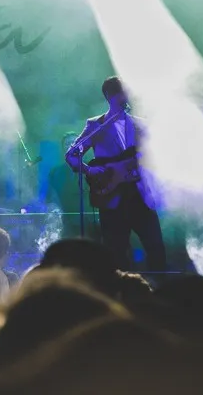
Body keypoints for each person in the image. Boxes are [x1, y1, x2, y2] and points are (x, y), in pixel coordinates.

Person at [65, 77, 167, 271]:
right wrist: (90, 170)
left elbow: (155, 153)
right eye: (121, 93)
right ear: (110, 96)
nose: (126, 96)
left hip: (140, 194)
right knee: (115, 253)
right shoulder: (96, 125)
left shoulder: (140, 125)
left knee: (156, 248)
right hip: (111, 196)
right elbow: (71, 155)